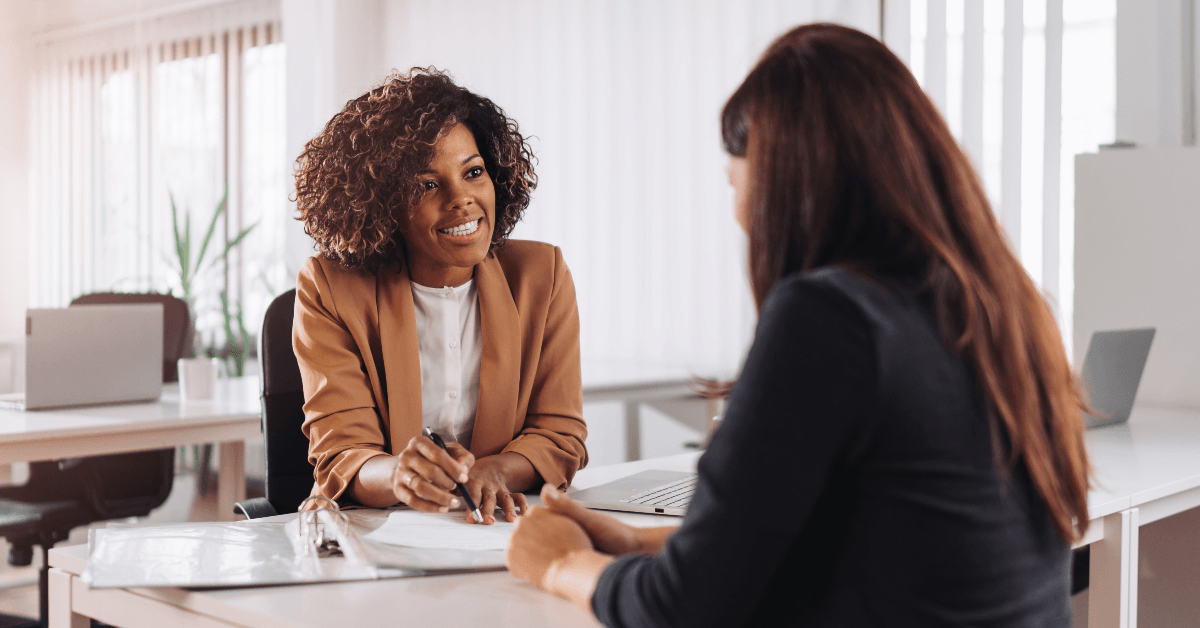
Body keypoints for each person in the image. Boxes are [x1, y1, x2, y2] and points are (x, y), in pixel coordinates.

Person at [506, 23, 1091, 626]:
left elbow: (684, 611)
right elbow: (873, 539)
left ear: (785, 185)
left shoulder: (831, 318)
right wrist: (635, 544)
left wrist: (558, 564)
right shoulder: (1011, 308)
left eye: (737, 185)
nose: (741, 221)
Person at [292, 68, 587, 524]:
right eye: (428, 184)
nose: (462, 199)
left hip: (496, 529)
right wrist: (399, 475)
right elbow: (343, 453)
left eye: (473, 173)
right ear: (384, 203)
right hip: (375, 535)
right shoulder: (330, 287)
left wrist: (495, 472)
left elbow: (559, 434)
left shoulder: (541, 276)